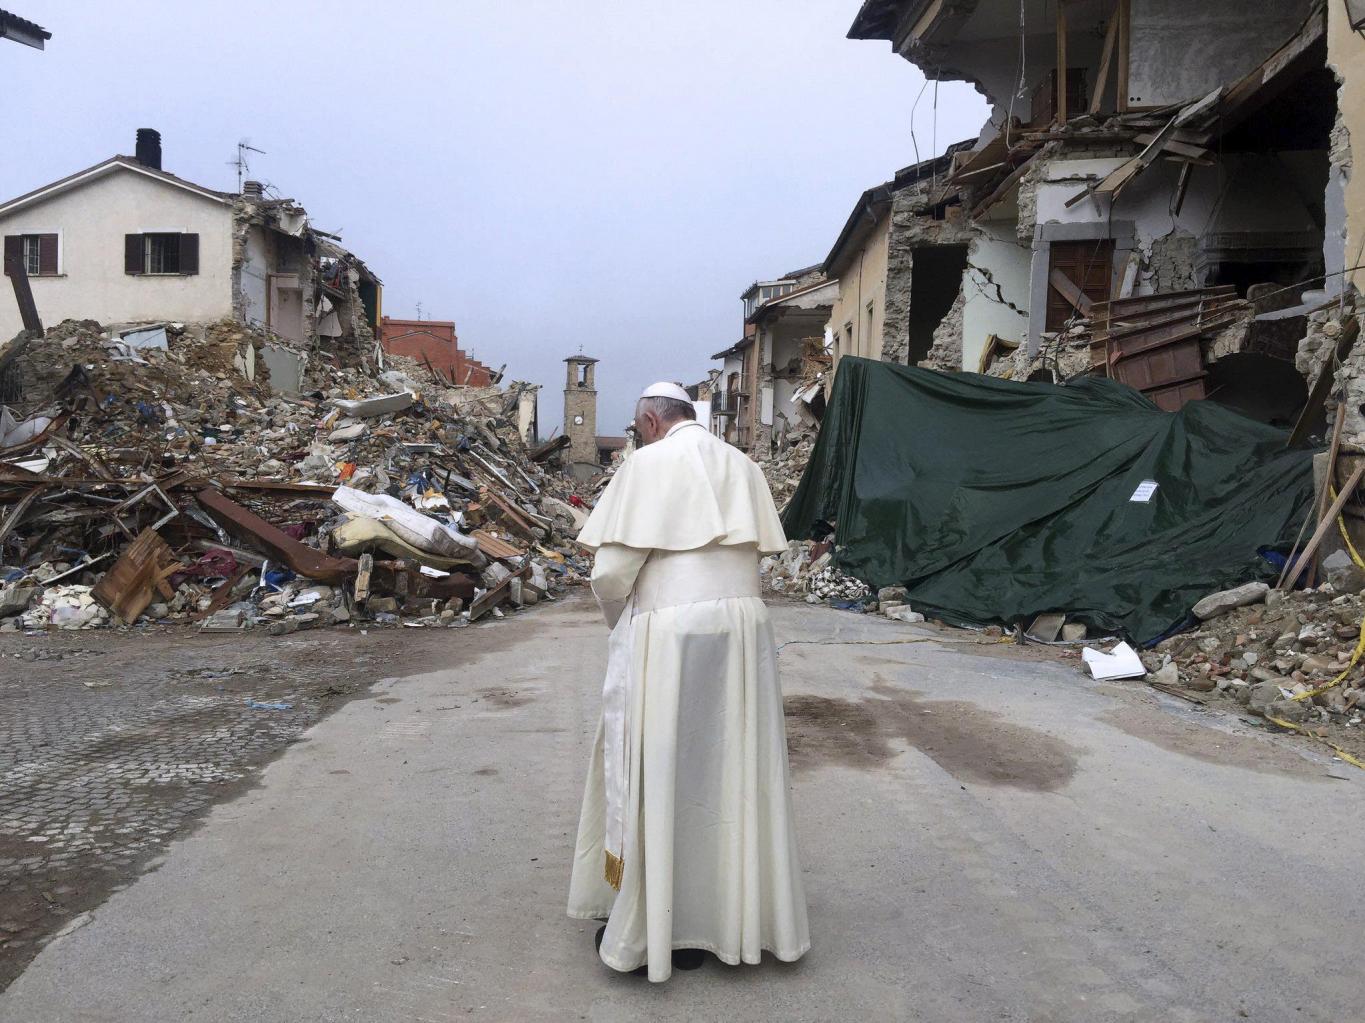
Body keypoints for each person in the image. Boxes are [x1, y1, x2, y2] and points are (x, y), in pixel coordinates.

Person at [566, 381, 810, 982]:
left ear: (651, 422)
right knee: (731, 774)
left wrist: (622, 623)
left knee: (663, 770)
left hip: (671, 633)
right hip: (744, 631)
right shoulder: (744, 465)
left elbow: (611, 575)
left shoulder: (646, 465)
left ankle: (659, 928)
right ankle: (726, 922)